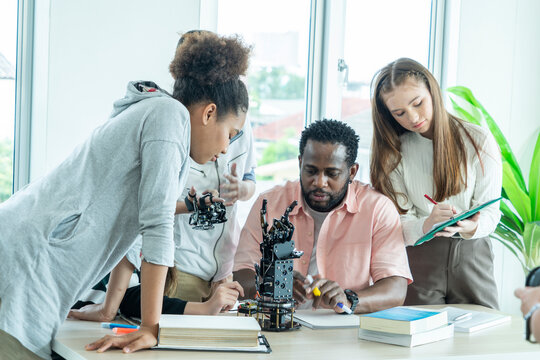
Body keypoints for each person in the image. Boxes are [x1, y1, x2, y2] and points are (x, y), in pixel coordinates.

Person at [0, 31, 251, 359]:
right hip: (26, 264)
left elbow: (134, 223)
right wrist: (150, 328)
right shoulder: (169, 117)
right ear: (208, 114)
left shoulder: (158, 117)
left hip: (27, 260)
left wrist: (109, 309)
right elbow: (156, 223)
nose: (224, 149)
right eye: (229, 134)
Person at [233, 119, 412, 314]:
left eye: (332, 173)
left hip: (343, 331)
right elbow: (241, 276)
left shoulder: (377, 208)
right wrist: (271, 283)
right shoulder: (268, 204)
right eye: (311, 171)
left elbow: (395, 289)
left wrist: (349, 299)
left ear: (352, 172)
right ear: (300, 163)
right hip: (276, 322)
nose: (319, 182)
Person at [370, 57, 502, 308]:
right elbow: (394, 223)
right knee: (415, 340)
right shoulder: (394, 152)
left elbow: (491, 212)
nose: (413, 117)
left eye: (418, 103)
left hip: (472, 254)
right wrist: (426, 224)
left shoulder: (478, 140)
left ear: (433, 90)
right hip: (418, 258)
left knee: (479, 341)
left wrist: (470, 225)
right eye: (399, 113)